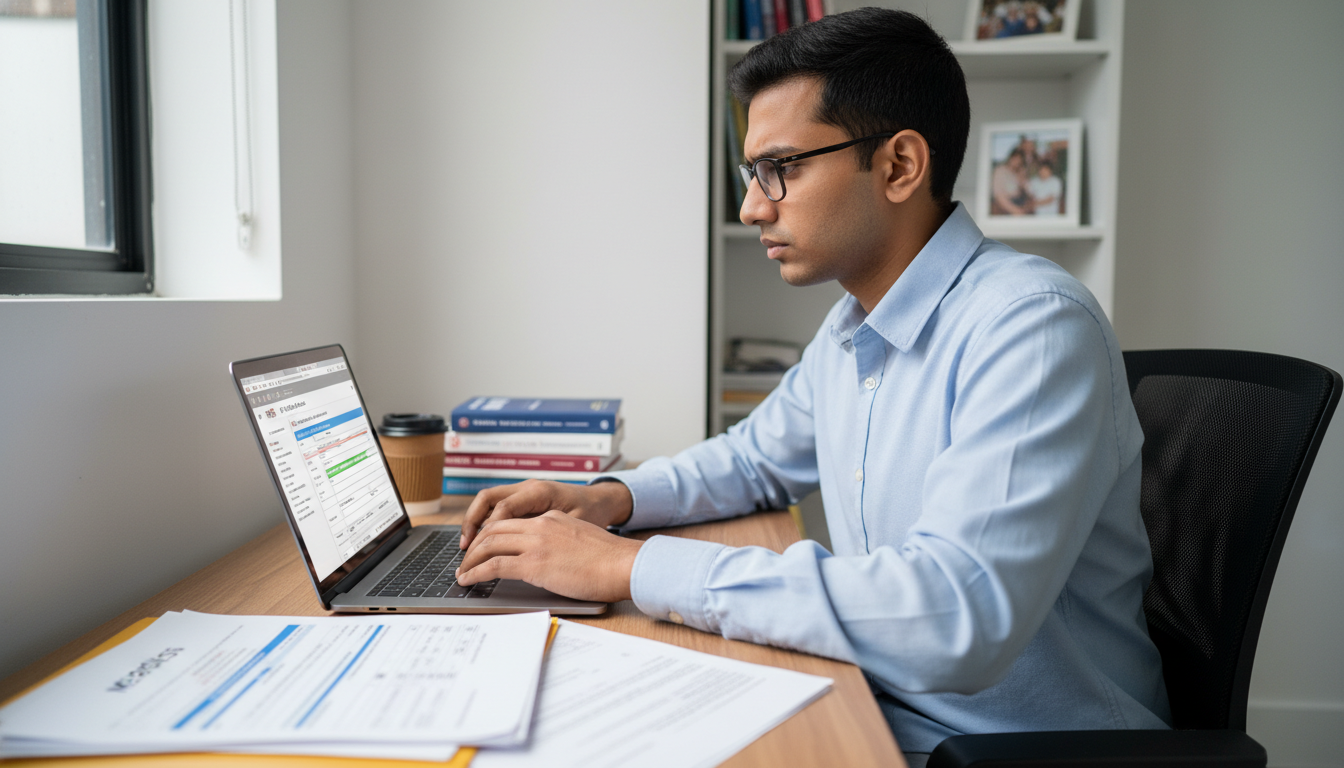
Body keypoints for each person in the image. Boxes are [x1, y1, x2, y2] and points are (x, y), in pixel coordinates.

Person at [454, 8, 1170, 763]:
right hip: (879, 703)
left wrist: (629, 565)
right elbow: (753, 461)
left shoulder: (1030, 328)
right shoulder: (852, 328)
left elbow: (957, 616)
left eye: (781, 169)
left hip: (1008, 747)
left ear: (899, 165)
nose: (752, 206)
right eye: (751, 173)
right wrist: (607, 501)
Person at [990, 149, 1032, 215]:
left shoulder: (1017, 173)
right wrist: (1014, 210)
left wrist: (1023, 178)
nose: (1017, 162)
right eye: (1015, 158)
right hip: (1004, 204)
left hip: (1019, 201)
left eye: (1020, 160)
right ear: (1010, 158)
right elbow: (998, 195)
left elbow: (1030, 191)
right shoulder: (1000, 171)